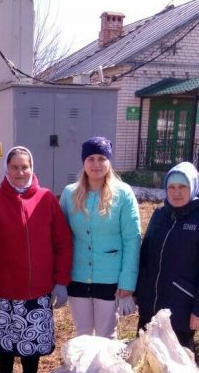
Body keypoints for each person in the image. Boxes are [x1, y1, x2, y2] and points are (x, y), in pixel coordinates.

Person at [0, 146, 72, 373]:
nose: (20, 172)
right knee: (5, 345)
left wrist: (61, 281)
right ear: (7, 169)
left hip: (38, 291)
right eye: (15, 167)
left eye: (24, 167)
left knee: (32, 345)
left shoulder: (47, 199)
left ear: (32, 168)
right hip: (3, 293)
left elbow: (63, 243)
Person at [135, 161, 199, 352]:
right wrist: (137, 292)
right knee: (143, 361)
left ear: (193, 187)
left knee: (176, 367)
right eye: (171, 187)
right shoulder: (159, 214)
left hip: (181, 309)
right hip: (150, 304)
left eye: (183, 186)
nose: (176, 192)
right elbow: (145, 254)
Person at [59, 136, 141, 339]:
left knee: (106, 335)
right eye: (91, 159)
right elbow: (61, 238)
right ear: (83, 162)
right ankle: (85, 372)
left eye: (101, 158)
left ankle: (105, 372)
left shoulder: (123, 194)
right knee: (83, 335)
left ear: (109, 162)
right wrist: (59, 277)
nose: (96, 164)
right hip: (77, 276)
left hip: (111, 279)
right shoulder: (70, 194)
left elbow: (132, 239)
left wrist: (128, 281)